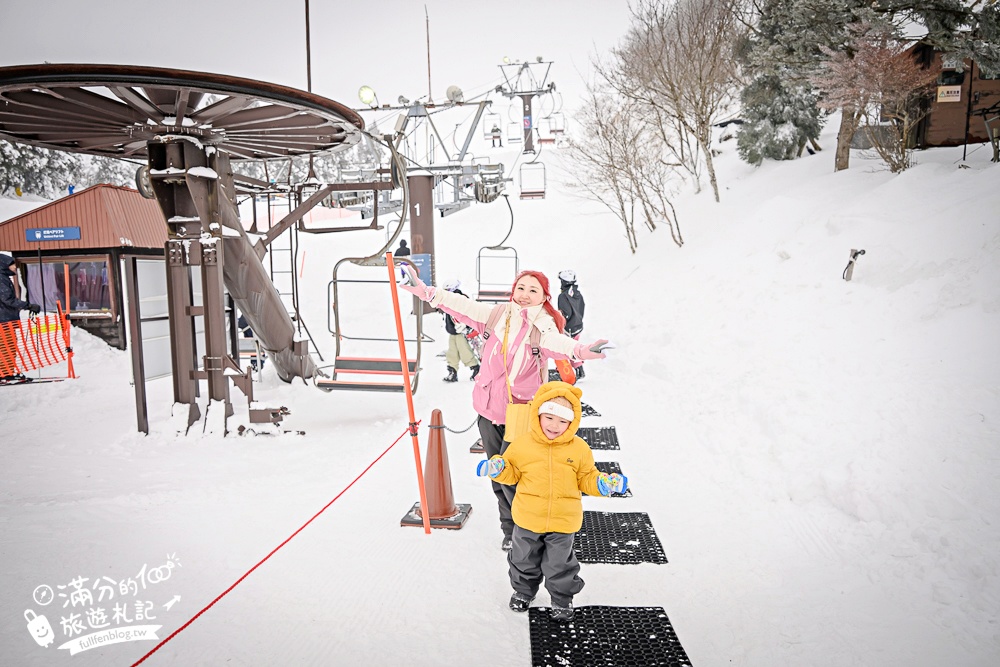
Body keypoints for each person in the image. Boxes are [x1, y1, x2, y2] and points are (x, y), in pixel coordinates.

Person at [399, 268, 609, 551]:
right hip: (487, 411)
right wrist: (425, 292)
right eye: (521, 288)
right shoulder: (498, 315)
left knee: (519, 476)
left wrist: (582, 351)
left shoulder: (543, 326)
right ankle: (510, 529)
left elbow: (559, 344)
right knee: (499, 475)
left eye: (533, 290)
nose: (525, 295)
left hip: (520, 415)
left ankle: (528, 528)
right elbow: (462, 306)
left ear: (544, 297)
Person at [477, 381, 627, 621]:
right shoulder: (522, 444)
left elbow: (586, 477)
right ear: (537, 414)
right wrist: (498, 468)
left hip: (563, 520)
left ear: (572, 422)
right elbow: (511, 473)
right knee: (523, 559)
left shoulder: (579, 449)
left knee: (560, 564)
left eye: (563, 421)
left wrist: (602, 484)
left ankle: (561, 599)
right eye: (549, 418)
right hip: (527, 517)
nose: (555, 426)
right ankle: (523, 591)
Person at [0, 254, 41, 383]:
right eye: (12, 264)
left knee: (6, 346)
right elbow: (7, 299)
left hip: (5, 318)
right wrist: (28, 305)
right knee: (7, 346)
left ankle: (5, 373)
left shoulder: (4, 278)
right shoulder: (1, 279)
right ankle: (5, 374)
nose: (15, 267)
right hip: (4, 319)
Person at [440, 280, 480, 382]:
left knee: (464, 351)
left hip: (461, 331)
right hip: (452, 331)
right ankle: (452, 372)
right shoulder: (448, 299)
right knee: (452, 352)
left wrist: (466, 326)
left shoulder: (460, 299)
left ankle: (476, 369)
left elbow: (468, 313)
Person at [556, 269, 587, 380]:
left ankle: (565, 372)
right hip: (578, 326)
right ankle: (579, 369)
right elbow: (582, 308)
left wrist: (559, 322)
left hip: (568, 328)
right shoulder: (578, 294)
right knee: (574, 348)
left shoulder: (563, 296)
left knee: (564, 349)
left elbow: (565, 314)